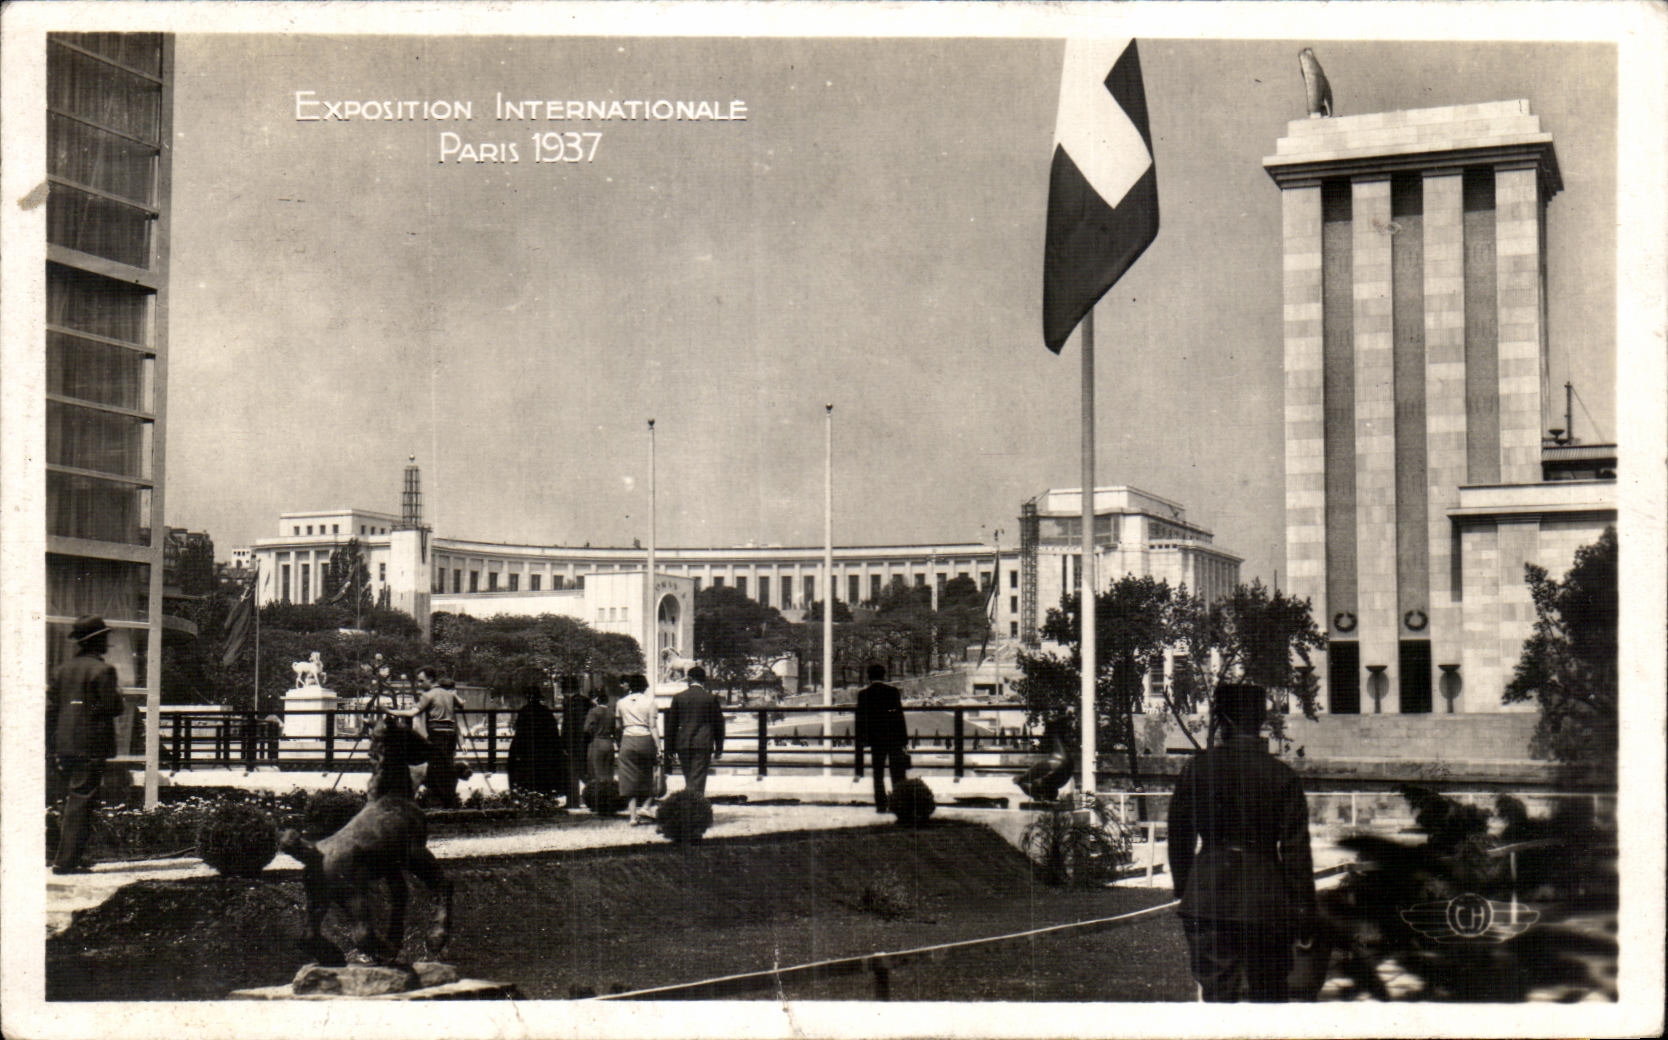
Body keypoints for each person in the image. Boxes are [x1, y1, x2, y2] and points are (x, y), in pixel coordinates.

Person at [1167, 683, 1316, 1003]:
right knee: (1269, 998)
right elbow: (1296, 852)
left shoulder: (1196, 770)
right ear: (1260, 719)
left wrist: (1185, 888)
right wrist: (1304, 910)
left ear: (1223, 719)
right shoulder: (1283, 776)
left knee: (1218, 999)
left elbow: (1179, 838)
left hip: (1208, 896)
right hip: (1267, 900)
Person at [46, 616, 124, 874]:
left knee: (72, 800)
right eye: (104, 638)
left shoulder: (61, 670)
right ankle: (66, 862)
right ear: (96, 641)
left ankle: (70, 856)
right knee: (81, 801)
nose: (107, 642)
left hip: (64, 744)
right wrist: (118, 697)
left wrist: (52, 746)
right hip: (90, 745)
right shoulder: (103, 671)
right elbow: (113, 708)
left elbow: (51, 710)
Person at [388, 669, 464, 808]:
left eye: (421, 681)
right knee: (447, 767)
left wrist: (390, 711)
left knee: (436, 768)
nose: (419, 684)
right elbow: (461, 704)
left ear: (431, 679)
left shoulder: (428, 695)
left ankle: (440, 802)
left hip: (437, 735)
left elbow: (412, 713)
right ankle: (450, 800)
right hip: (450, 735)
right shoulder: (448, 694)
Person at [852, 663, 910, 813]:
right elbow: (899, 716)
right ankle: (898, 803)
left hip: (876, 739)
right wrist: (904, 740)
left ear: (869, 677)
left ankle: (881, 804)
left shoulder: (864, 695)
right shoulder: (893, 692)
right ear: (884, 676)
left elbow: (860, 721)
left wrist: (862, 740)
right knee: (897, 773)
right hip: (893, 737)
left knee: (878, 774)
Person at [664, 665, 725, 798]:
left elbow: (672, 725)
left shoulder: (678, 698)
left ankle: (690, 802)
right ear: (704, 680)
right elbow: (718, 724)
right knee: (698, 778)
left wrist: (669, 748)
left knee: (689, 777)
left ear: (689, 679)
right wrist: (719, 747)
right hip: (703, 743)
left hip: (683, 743)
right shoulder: (710, 698)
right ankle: (694, 805)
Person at [613, 673, 660, 825]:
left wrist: (620, 742)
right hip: (645, 739)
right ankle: (645, 806)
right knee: (649, 775)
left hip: (627, 739)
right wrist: (659, 747)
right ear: (645, 686)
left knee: (628, 778)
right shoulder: (650, 702)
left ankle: (633, 817)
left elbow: (618, 726)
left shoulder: (621, 703)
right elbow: (653, 727)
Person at [506, 680, 564, 793]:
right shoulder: (546, 711)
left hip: (527, 750)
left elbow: (519, 732)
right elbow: (554, 733)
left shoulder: (524, 711)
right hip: (544, 751)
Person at [583, 677, 620, 786]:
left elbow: (587, 728)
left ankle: (599, 793)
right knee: (609, 772)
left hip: (597, 742)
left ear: (597, 700)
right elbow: (616, 729)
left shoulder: (593, 712)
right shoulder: (611, 713)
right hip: (608, 742)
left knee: (596, 773)